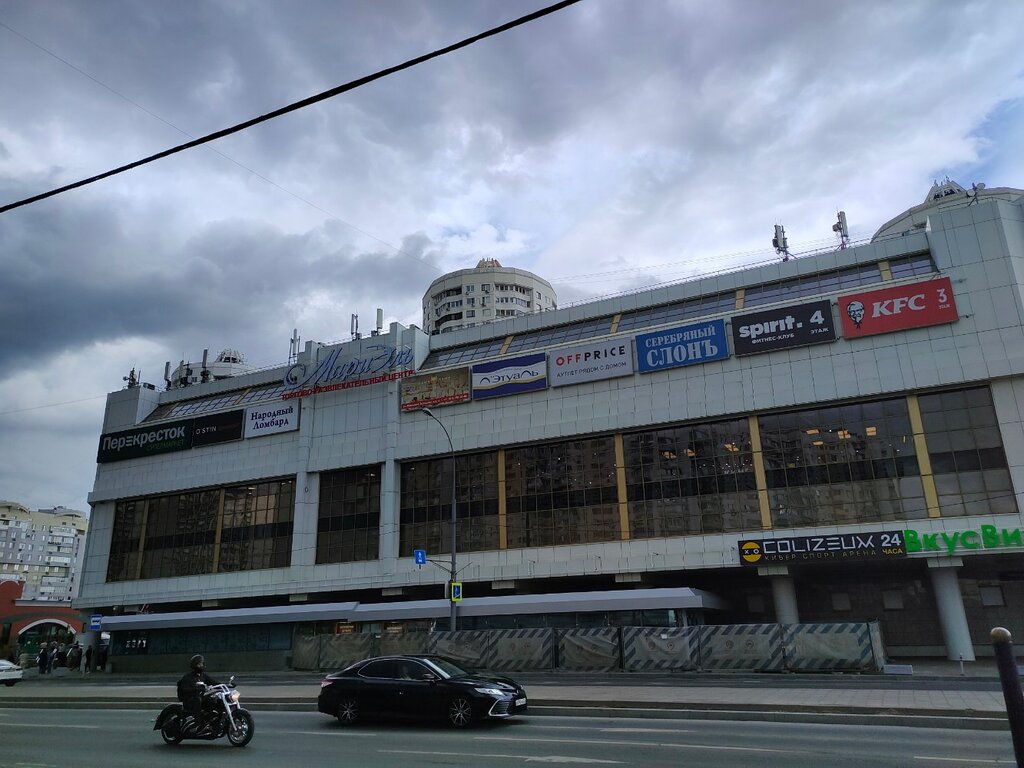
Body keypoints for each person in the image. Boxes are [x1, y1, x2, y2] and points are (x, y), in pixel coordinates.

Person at [177, 654, 220, 731]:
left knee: (212, 700)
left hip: (199, 698)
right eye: (199, 664)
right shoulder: (188, 677)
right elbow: (184, 689)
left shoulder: (203, 676)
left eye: (202, 663)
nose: (202, 665)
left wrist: (227, 685)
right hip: (189, 700)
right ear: (194, 665)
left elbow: (214, 682)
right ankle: (196, 723)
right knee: (197, 700)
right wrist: (196, 688)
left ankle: (209, 720)